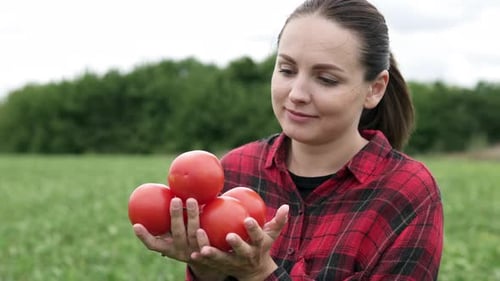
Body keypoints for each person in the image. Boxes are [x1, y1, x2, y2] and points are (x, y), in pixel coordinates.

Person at [133, 0, 444, 280]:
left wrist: (260, 274)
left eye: (326, 79)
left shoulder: (407, 192)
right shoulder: (235, 169)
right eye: (286, 69)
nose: (296, 94)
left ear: (375, 89)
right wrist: (206, 268)